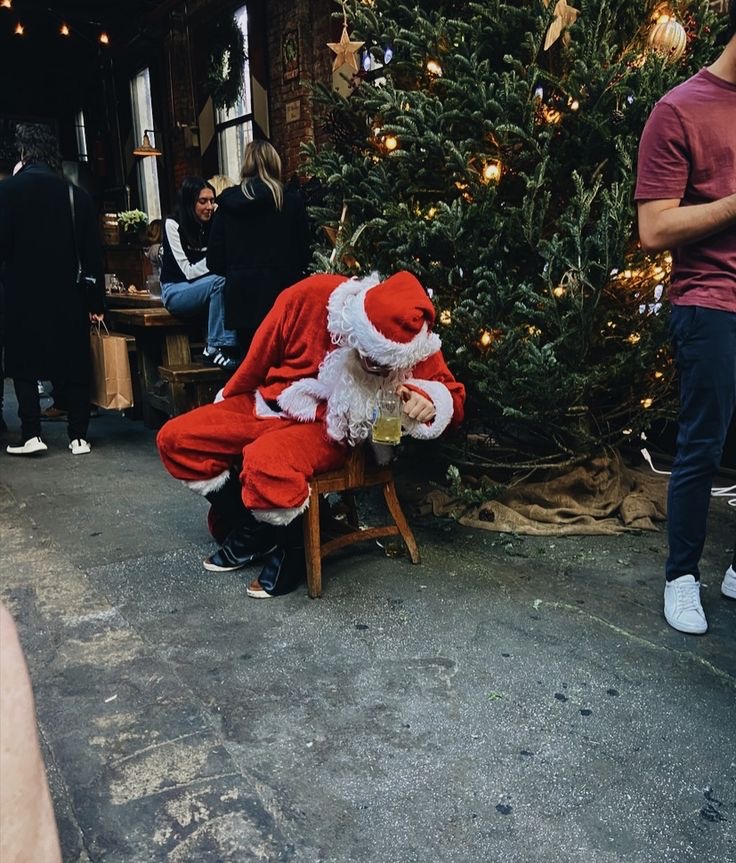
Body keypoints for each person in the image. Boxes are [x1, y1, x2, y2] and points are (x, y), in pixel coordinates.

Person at [157, 270, 465, 597]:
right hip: (274, 401)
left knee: (266, 462)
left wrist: (429, 401)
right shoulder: (317, 296)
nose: (375, 367)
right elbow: (259, 354)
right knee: (177, 439)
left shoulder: (416, 337)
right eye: (368, 354)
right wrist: (231, 395)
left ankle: (293, 549)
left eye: (385, 362)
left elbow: (452, 396)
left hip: (335, 426)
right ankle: (252, 527)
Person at [635, 1, 736, 635]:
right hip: (710, 302)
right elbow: (654, 227)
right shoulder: (679, 109)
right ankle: (681, 578)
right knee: (702, 446)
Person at [0, 123, 104, 456]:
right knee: (74, 361)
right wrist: (96, 301)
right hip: (68, 294)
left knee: (23, 362)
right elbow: (92, 257)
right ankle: (78, 436)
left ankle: (31, 433)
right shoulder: (77, 196)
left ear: (23, 153)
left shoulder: (6, 193)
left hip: (20, 294)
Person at [207, 140, 310, 354]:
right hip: (284, 296)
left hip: (243, 300)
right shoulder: (290, 201)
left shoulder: (227, 205)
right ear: (275, 163)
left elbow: (214, 261)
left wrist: (237, 271)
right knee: (284, 368)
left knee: (251, 367)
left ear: (246, 165)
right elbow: (305, 254)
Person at [160, 176, 239, 371]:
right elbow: (187, 271)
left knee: (229, 280)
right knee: (220, 280)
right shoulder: (173, 225)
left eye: (212, 201)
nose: (209, 206)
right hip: (175, 290)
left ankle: (230, 345)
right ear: (189, 203)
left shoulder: (213, 223)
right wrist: (215, 258)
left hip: (204, 289)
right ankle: (215, 347)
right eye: (202, 201)